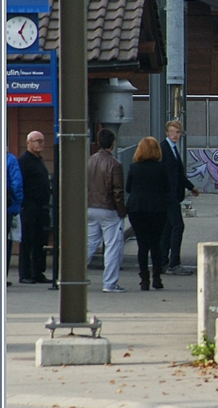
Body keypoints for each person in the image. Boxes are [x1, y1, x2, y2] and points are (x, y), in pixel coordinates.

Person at [126, 137, 172, 290]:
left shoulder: (134, 168)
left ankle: (144, 279)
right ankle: (157, 278)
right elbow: (167, 188)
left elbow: (128, 188)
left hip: (137, 209)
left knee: (142, 244)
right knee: (155, 244)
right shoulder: (161, 168)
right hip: (157, 209)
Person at [85, 128, 128, 293]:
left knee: (89, 244)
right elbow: (118, 191)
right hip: (108, 209)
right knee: (112, 246)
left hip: (90, 207)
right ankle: (109, 283)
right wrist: (121, 211)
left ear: (98, 142)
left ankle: (74, 277)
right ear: (112, 143)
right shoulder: (115, 164)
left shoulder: (89, 161)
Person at [160, 120, 200, 275]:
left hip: (172, 195)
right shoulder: (164, 149)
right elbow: (170, 175)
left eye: (178, 132)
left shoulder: (172, 149)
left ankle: (163, 262)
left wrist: (190, 187)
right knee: (177, 226)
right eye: (172, 132)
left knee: (168, 228)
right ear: (166, 132)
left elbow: (178, 174)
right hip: (169, 196)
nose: (175, 135)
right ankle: (174, 263)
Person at [18, 130, 51, 284]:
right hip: (29, 206)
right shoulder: (24, 161)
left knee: (41, 240)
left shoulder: (39, 160)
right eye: (37, 140)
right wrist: (23, 204)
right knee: (27, 240)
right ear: (28, 143)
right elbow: (20, 183)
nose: (40, 143)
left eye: (42, 140)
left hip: (42, 207)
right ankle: (25, 274)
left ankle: (38, 272)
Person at [6, 148, 23, 287]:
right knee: (5, 243)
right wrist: (18, 202)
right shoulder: (10, 160)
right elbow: (16, 183)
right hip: (7, 206)